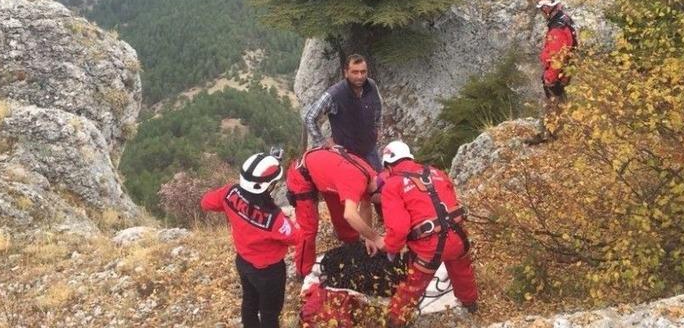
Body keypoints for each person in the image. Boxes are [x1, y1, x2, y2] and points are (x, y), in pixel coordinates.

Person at [377, 141, 478, 327]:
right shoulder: (437, 172)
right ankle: (470, 304)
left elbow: (398, 229)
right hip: (458, 237)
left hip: (429, 248)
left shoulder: (392, 185)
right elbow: (450, 202)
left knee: (410, 289)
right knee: (462, 271)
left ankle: (394, 322)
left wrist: (389, 247)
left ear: (388, 165)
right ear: (409, 157)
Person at [201, 153, 300, 328]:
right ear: (268, 186)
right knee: (269, 314)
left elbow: (206, 202)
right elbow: (295, 237)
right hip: (270, 271)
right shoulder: (274, 218)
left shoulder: (230, 192)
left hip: (244, 262)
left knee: (249, 303)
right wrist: (292, 220)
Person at [285, 146, 385, 278]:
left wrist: (368, 238)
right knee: (309, 227)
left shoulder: (372, 177)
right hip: (302, 175)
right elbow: (350, 215)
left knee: (341, 208)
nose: (377, 204)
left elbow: (366, 205)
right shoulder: (355, 181)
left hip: (328, 174)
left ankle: (350, 241)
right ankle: (303, 271)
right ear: (377, 192)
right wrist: (376, 237)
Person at [303, 54, 384, 170]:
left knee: (379, 182)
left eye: (363, 72)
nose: (360, 76)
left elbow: (377, 106)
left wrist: (378, 127)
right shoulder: (334, 94)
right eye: (355, 72)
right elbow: (310, 117)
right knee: (355, 185)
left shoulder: (371, 85)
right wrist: (323, 142)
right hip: (346, 155)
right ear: (346, 72)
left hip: (369, 149)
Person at [537, 0, 577, 101]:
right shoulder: (563, 19)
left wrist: (549, 79)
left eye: (542, 9)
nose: (542, 12)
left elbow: (557, 59)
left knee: (557, 105)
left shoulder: (557, 30)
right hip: (565, 70)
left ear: (547, 8)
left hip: (558, 76)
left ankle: (558, 116)